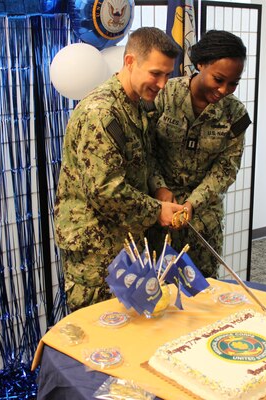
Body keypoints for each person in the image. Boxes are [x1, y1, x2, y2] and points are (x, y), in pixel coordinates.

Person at [54, 27, 184, 312]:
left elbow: (144, 160)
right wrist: (156, 210)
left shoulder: (135, 105)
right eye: (156, 73)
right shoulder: (100, 113)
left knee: (131, 332)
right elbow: (105, 190)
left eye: (167, 75)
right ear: (130, 62)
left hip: (125, 242)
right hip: (96, 251)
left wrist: (159, 188)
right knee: (96, 341)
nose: (163, 83)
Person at [147, 30, 251, 278]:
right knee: (156, 291)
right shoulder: (164, 95)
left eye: (234, 83)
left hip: (203, 220)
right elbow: (144, 149)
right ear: (200, 64)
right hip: (159, 211)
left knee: (203, 293)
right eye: (218, 79)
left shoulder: (235, 114)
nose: (225, 89)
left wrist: (193, 203)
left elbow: (226, 168)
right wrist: (160, 188)